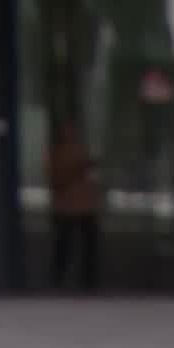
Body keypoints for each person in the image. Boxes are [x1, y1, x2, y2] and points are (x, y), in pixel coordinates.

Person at [46, 117, 101, 290]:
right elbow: (56, 180)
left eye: (74, 130)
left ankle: (89, 279)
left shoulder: (81, 150)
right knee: (63, 243)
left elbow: (90, 178)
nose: (72, 134)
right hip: (66, 207)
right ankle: (58, 277)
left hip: (86, 206)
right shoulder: (56, 153)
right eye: (68, 130)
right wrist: (78, 169)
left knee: (89, 245)